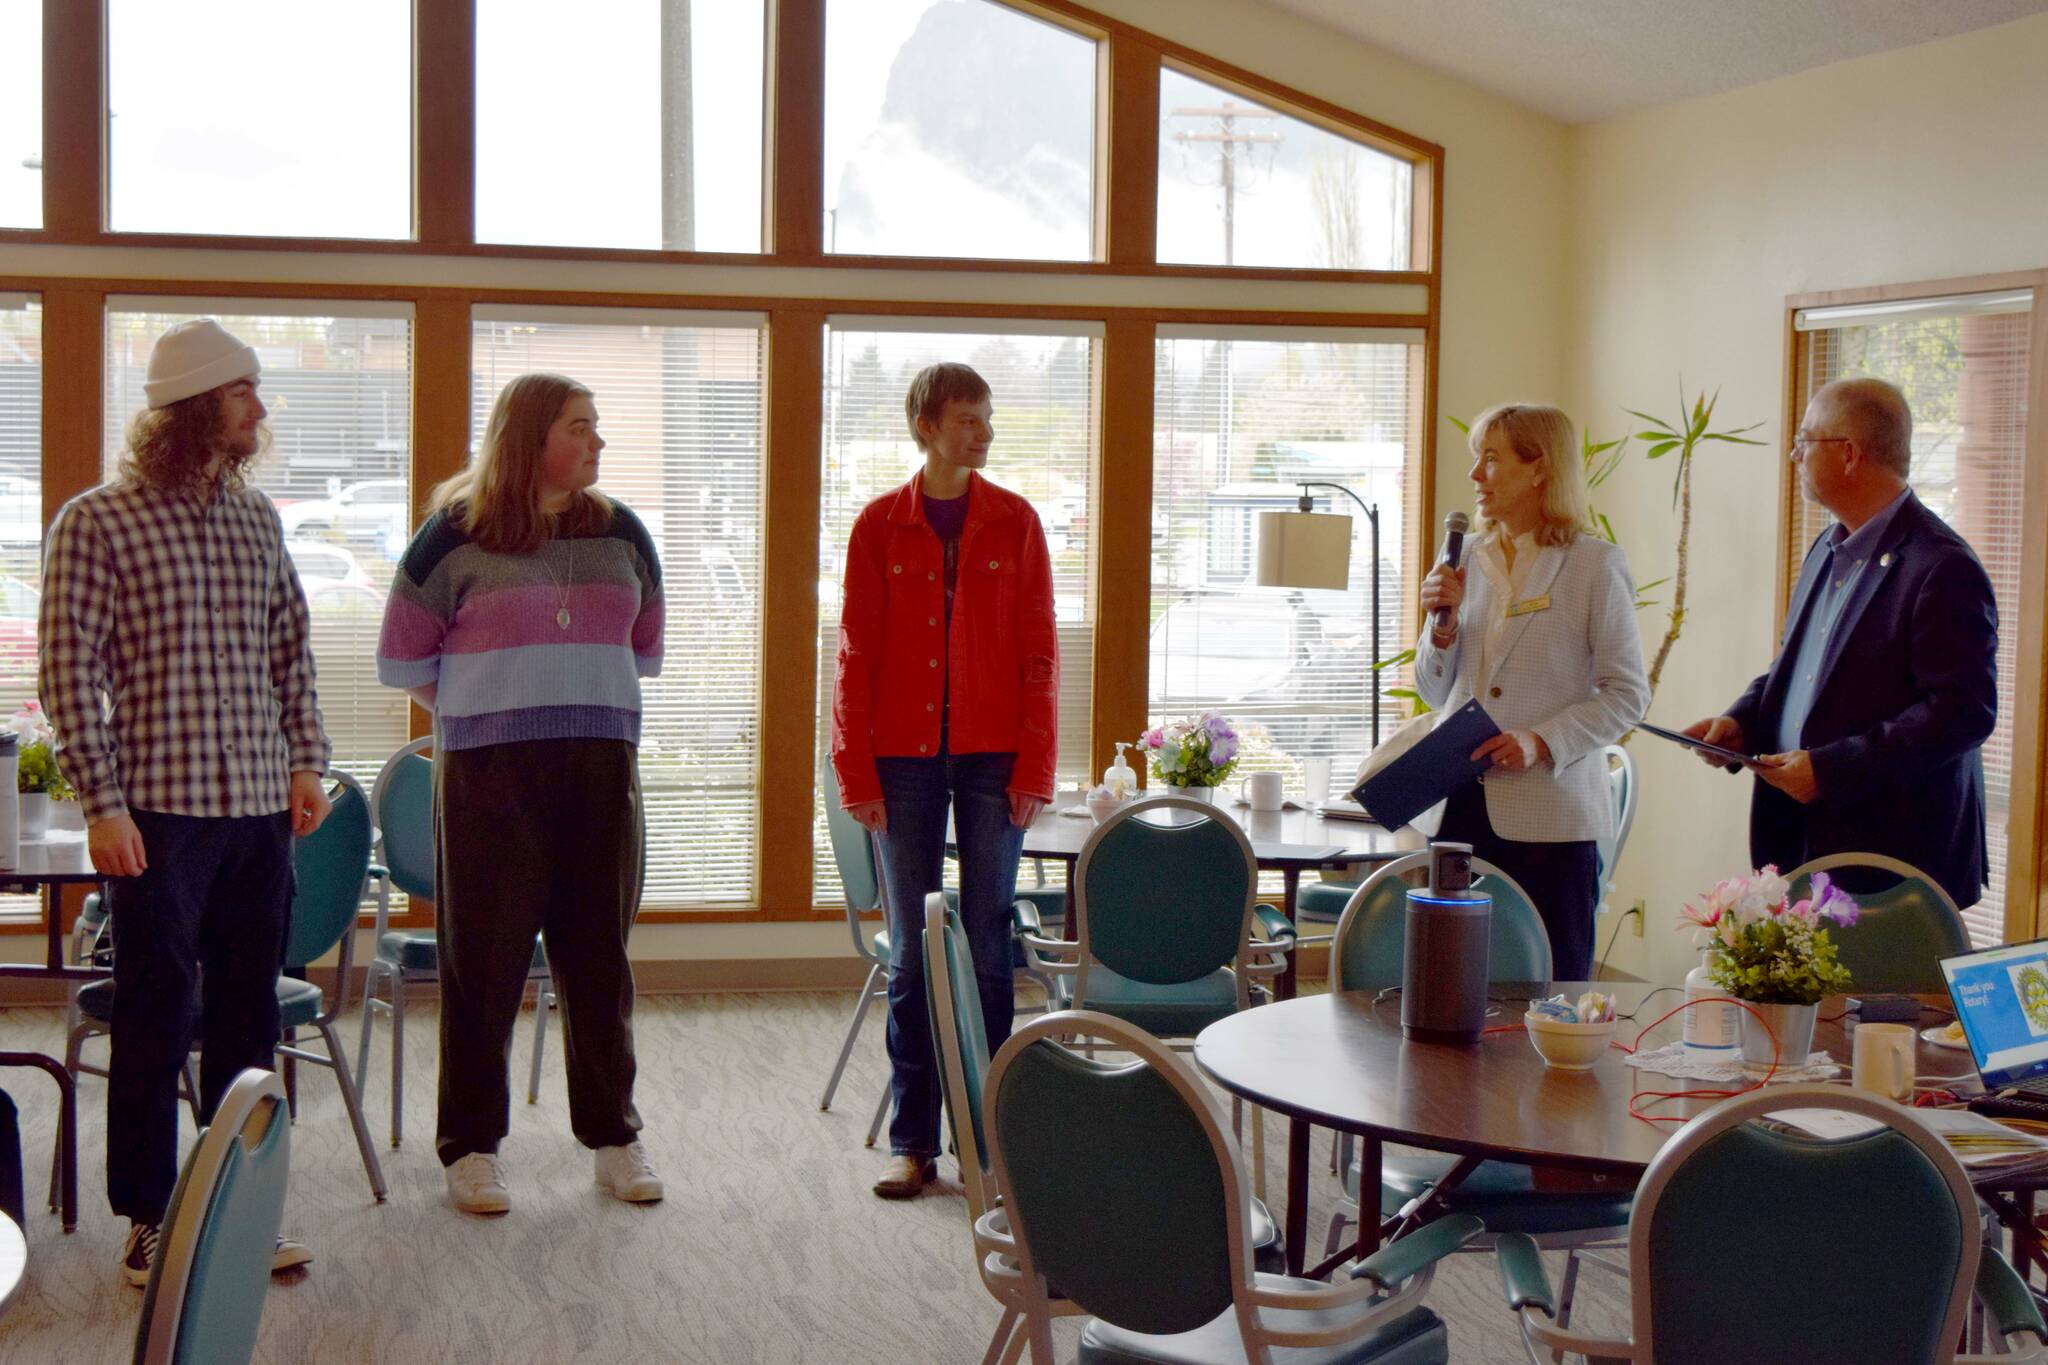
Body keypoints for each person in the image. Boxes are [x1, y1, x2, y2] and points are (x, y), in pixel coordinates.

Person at [39, 318, 330, 1286]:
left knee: (249, 1017)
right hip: (156, 815)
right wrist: (101, 803)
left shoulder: (257, 520)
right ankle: (151, 1218)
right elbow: (69, 672)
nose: (260, 408)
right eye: (246, 391)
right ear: (201, 405)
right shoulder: (97, 520)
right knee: (158, 1014)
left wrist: (305, 762)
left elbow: (290, 647)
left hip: (256, 811)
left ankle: (235, 1210)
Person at [377, 373, 665, 1215]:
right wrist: (488, 705)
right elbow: (402, 660)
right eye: (582, 427)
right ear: (532, 436)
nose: (598, 443)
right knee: (485, 964)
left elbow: (643, 647)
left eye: (598, 426)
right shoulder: (452, 537)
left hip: (600, 765)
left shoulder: (621, 533)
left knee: (598, 960)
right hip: (489, 772)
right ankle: (471, 1147)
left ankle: (614, 1134)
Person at [831, 361, 1057, 1199]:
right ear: (926, 424)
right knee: (914, 953)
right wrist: (857, 771)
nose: (983, 434)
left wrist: (1035, 765)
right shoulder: (878, 526)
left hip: (996, 754)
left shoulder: (1018, 522)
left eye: (988, 419)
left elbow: (1041, 654)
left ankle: (988, 1138)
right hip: (902, 755)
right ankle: (913, 1140)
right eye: (967, 419)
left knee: (990, 941)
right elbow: (854, 659)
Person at [1684, 377, 1997, 911]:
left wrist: (1831, 770)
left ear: (1849, 453)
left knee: (1875, 1001)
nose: (1794, 454)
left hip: (1891, 864)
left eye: (1805, 440)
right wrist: (1741, 724)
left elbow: (1963, 712)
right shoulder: (1827, 547)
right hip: (1803, 844)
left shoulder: (1941, 565)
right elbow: (1798, 670)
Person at [1415, 403, 1649, 979]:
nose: (1474, 476)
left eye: (1490, 460)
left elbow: (1627, 694)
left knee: (1550, 990)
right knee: (1450, 984)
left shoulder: (1594, 564)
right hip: (1456, 806)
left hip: (1549, 815)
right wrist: (1441, 626)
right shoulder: (1466, 558)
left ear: (1539, 467)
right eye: (1477, 460)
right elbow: (1430, 688)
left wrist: (1541, 741)